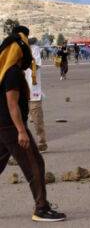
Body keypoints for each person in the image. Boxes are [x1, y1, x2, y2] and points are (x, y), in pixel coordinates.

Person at [0, 26, 66, 222]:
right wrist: (22, 131)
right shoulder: (12, 73)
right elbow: (13, 105)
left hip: (2, 126)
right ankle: (41, 208)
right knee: (35, 163)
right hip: (11, 127)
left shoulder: (5, 71)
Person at [25, 38, 47, 152]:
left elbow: (36, 65)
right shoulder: (16, 50)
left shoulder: (34, 49)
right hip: (19, 92)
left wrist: (24, 60)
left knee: (37, 120)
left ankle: (41, 142)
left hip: (33, 92)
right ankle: (23, 145)